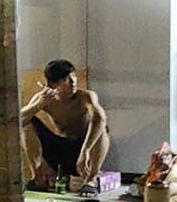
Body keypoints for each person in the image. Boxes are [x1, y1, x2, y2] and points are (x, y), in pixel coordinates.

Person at [20, 58, 110, 190]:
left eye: (74, 76)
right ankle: (38, 178)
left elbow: (100, 119)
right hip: (60, 150)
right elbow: (17, 121)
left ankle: (90, 181)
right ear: (53, 84)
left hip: (84, 151)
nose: (73, 82)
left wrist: (85, 150)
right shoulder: (43, 99)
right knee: (27, 124)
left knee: (102, 129)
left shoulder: (85, 97)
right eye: (66, 79)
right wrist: (39, 104)